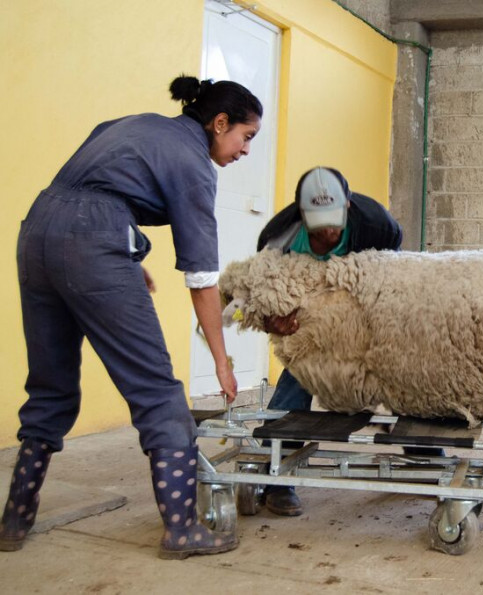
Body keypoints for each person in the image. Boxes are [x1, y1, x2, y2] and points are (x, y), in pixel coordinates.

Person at [1, 76, 262, 560]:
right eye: (246, 137)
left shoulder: (128, 125)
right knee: (157, 390)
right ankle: (182, 529)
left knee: (51, 385)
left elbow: (83, 193)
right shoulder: (194, 166)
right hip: (94, 243)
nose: (245, 150)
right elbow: (203, 279)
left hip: (37, 233)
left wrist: (122, 252)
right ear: (219, 123)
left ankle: (15, 518)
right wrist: (223, 364)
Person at [255, 166, 413, 516]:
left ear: (348, 207)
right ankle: (275, 474)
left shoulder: (378, 225)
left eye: (335, 220)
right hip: (310, 317)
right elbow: (260, 298)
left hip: (361, 302)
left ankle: (425, 452)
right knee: (301, 369)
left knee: (397, 371)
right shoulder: (276, 241)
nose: (328, 231)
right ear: (301, 214)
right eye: (318, 222)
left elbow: (395, 277)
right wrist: (274, 320)